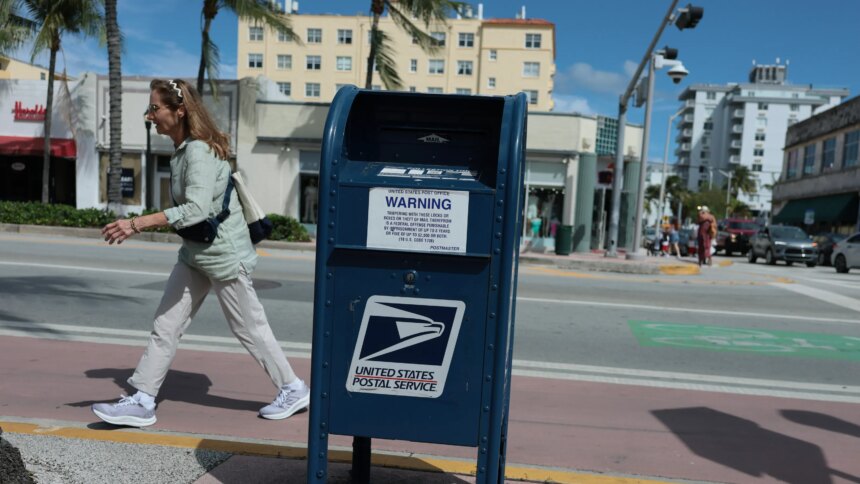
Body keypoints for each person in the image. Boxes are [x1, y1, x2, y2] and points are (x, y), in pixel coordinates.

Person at [92, 79, 308, 427]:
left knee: (249, 328)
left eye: (155, 109)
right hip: (195, 255)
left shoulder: (197, 151)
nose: (150, 116)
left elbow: (195, 210)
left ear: (179, 111)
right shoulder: (182, 151)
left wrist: (137, 224)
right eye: (149, 109)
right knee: (166, 325)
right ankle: (143, 399)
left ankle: (293, 387)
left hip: (223, 256)